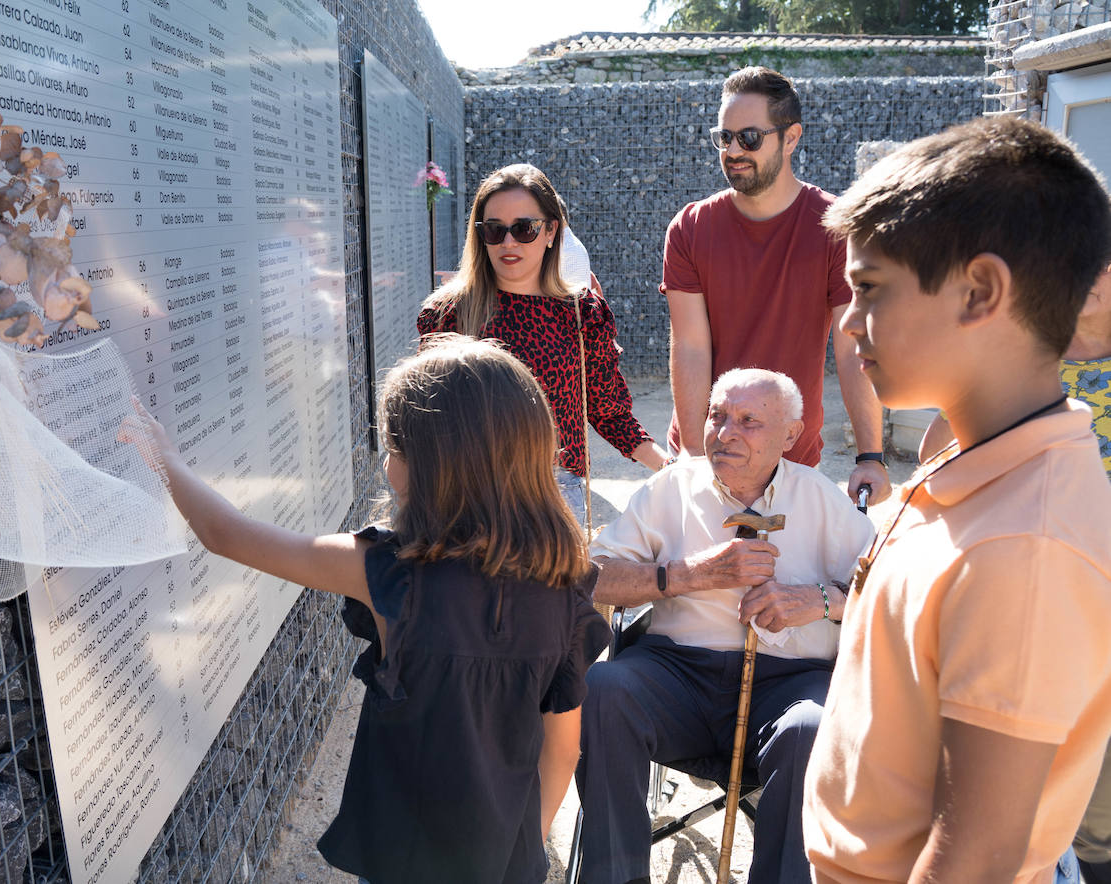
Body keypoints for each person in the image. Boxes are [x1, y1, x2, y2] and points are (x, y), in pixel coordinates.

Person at [120, 335, 610, 884]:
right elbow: (564, 749)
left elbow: (226, 534)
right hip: (507, 860)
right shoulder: (567, 584)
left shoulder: (390, 573)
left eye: (394, 446)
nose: (386, 461)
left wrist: (163, 458)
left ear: (425, 466)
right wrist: (528, 842)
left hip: (404, 859)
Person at [802, 116, 1111, 884]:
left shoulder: (1024, 549)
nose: (847, 322)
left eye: (868, 288)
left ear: (980, 291)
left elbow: (973, 859)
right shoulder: (969, 452)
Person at [577, 367, 874, 884]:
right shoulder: (671, 487)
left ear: (790, 435)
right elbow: (593, 579)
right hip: (676, 675)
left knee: (813, 727)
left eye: (748, 421)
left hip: (788, 682)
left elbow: (892, 588)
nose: (725, 432)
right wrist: (689, 573)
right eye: (717, 417)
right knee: (603, 689)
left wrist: (823, 599)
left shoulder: (821, 497)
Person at [916, 261, 1111, 884]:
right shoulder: (1015, 351)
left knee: (1096, 807)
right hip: (1022, 600)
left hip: (1093, 599)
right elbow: (936, 465)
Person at [661, 66, 890, 504]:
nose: (733, 150)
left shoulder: (836, 228)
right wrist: (692, 453)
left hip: (791, 460)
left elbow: (852, 346)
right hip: (707, 454)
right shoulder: (690, 228)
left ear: (790, 138)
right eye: (724, 137)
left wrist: (871, 455)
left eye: (748, 138)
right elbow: (690, 346)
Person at [419, 164, 667, 521]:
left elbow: (608, 410)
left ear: (551, 230)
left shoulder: (583, 313)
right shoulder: (447, 314)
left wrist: (668, 465)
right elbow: (426, 417)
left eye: (524, 229)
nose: (508, 242)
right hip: (468, 495)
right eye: (494, 230)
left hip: (556, 495)